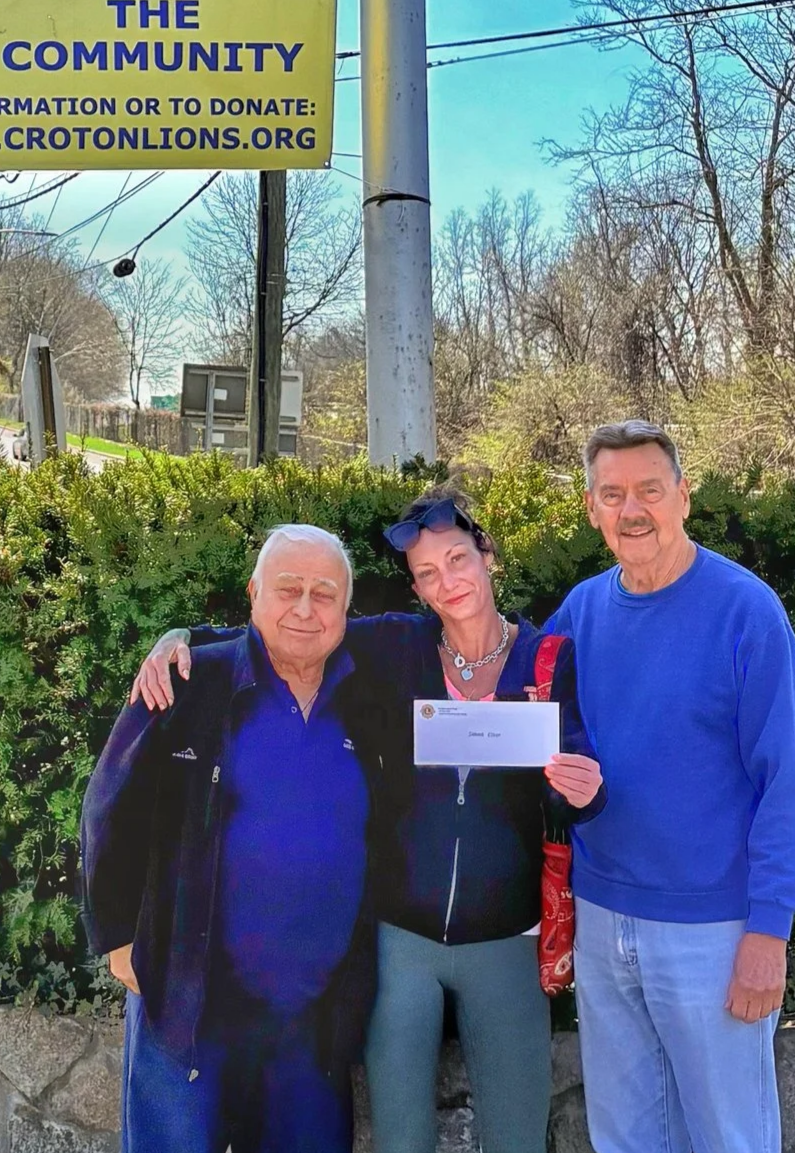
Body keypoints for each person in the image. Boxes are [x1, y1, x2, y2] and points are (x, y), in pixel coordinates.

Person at [131, 489, 604, 1153]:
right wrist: (180, 640)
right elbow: (286, 633)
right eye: (427, 572)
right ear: (415, 586)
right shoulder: (398, 646)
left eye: (458, 559)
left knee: (517, 1138)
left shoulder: (549, 658)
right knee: (399, 1139)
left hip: (509, 935)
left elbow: (573, 777)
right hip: (401, 934)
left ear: (488, 554)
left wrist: (583, 788)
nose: (447, 581)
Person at [549, 422, 795, 1153]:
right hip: (604, 918)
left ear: (683, 497)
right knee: (625, 1140)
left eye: (649, 488)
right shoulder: (579, 612)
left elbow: (791, 784)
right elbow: (507, 704)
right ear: (592, 508)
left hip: (716, 928)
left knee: (729, 1138)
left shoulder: (746, 611)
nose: (631, 508)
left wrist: (769, 929)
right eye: (613, 494)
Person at [82, 524, 385, 1153]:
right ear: (253, 595)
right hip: (191, 998)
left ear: (347, 609)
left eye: (324, 594)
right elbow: (111, 803)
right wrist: (117, 937)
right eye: (288, 589)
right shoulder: (190, 682)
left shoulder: (367, 696)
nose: (305, 608)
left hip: (310, 1016)